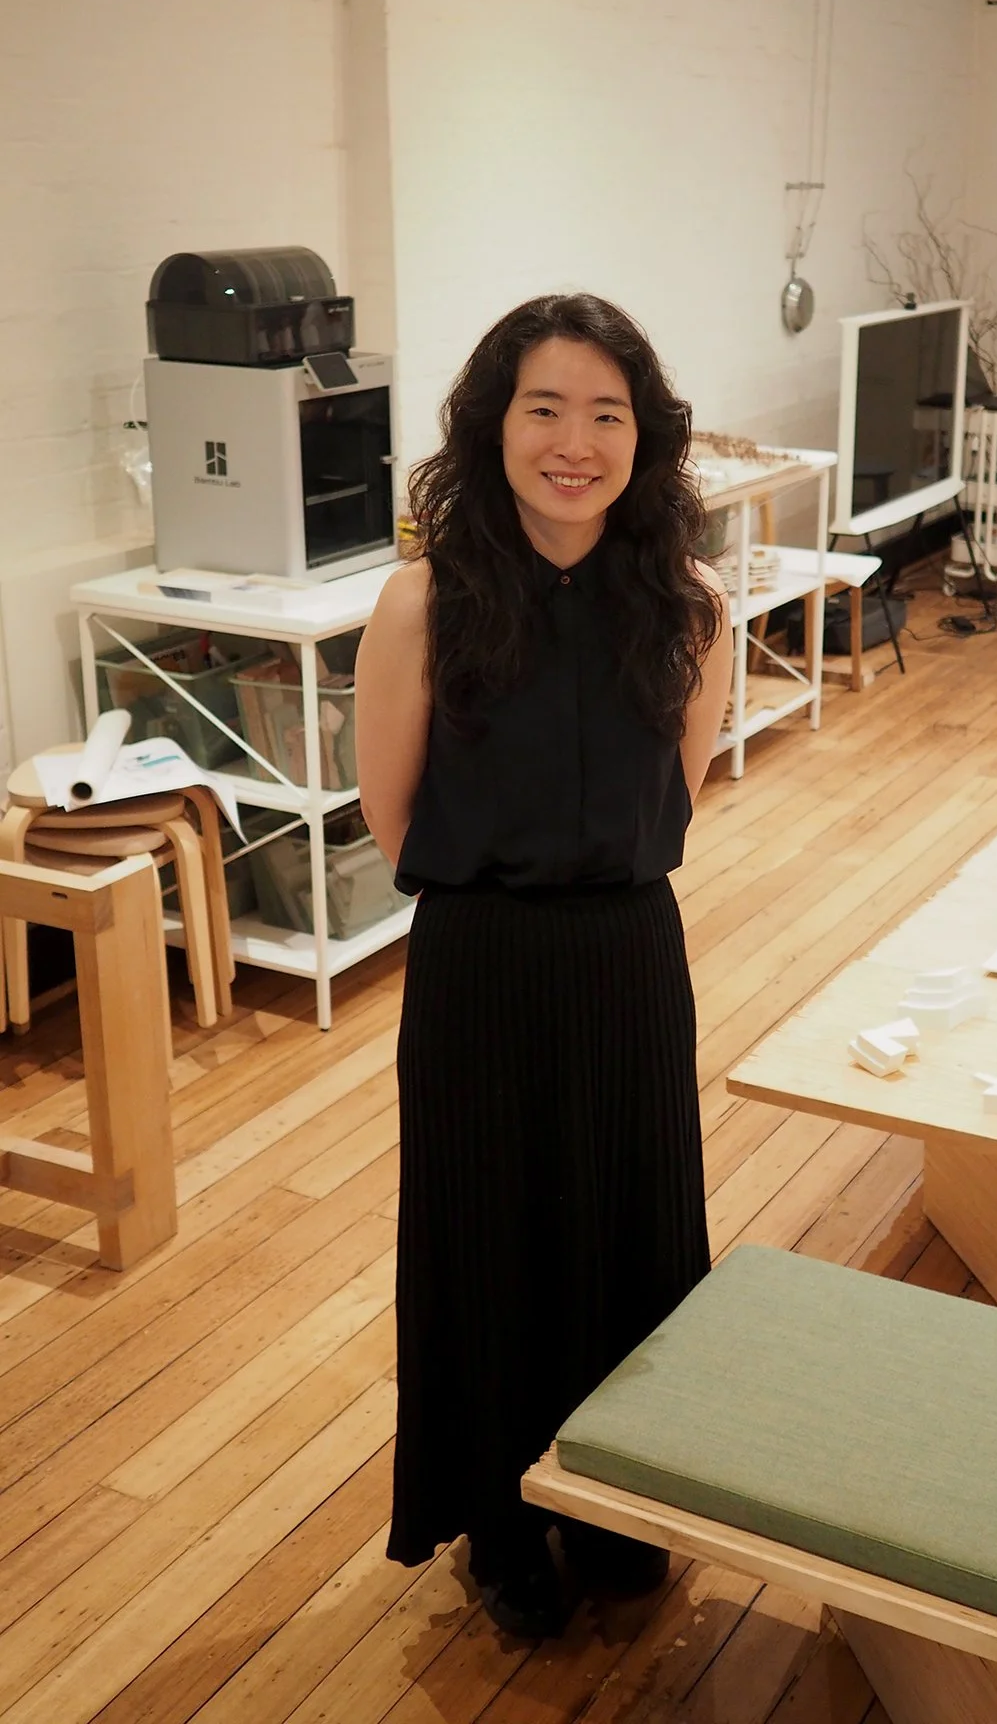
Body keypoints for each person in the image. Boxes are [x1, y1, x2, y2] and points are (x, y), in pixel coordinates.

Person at [355, 294, 734, 1638]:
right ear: (493, 425)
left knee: (633, 1231)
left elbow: (674, 794)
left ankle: (618, 1494)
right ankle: (501, 1520)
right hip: (482, 963)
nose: (575, 443)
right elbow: (392, 814)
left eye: (605, 414)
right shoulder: (423, 602)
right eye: (544, 409)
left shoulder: (690, 604)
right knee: (488, 1242)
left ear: (645, 437)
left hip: (628, 958)